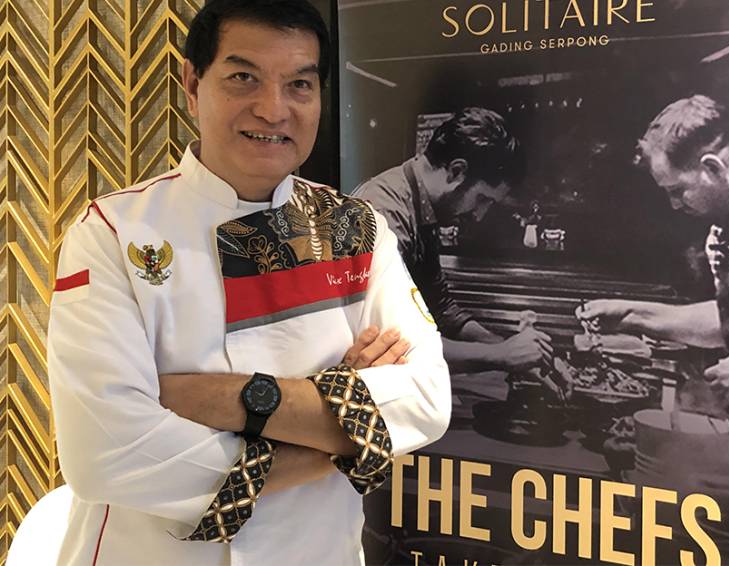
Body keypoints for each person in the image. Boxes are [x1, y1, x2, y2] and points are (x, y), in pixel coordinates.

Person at [47, 1, 451, 564]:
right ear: (193, 85)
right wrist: (347, 437)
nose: (273, 109)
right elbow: (106, 454)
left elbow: (427, 400)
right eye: (244, 77)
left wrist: (228, 400)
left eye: (299, 84)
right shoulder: (113, 233)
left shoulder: (355, 228)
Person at [578, 95, 729, 432]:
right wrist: (633, 315)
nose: (674, 205)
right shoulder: (726, 227)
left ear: (713, 168)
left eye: (677, 190)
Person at [355, 108, 553, 374]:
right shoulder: (384, 213)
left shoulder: (423, 205)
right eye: (483, 199)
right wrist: (500, 355)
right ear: (457, 171)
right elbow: (393, 342)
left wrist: (510, 347)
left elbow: (441, 308)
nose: (479, 215)